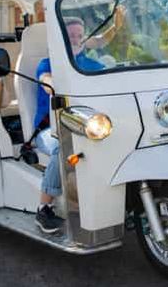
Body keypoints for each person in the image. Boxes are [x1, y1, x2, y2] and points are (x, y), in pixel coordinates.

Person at [34, 17, 104, 234]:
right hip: (50, 129)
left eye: (78, 36)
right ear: (61, 38)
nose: (75, 39)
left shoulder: (91, 64)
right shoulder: (48, 63)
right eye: (70, 35)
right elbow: (46, 80)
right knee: (62, 146)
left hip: (87, 125)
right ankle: (44, 208)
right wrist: (52, 83)